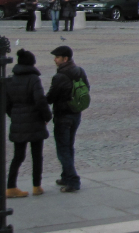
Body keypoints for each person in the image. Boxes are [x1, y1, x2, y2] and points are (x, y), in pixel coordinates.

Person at [5, 49, 51, 198]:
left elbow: (6, 104)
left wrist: (15, 116)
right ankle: (36, 186)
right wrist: (47, 116)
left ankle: (11, 186)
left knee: (18, 156)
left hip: (18, 121)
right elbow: (40, 100)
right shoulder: (33, 79)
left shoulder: (10, 80)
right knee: (37, 155)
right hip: (35, 121)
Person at [45, 45, 88, 192]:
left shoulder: (60, 76)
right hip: (76, 114)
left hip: (63, 116)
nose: (55, 60)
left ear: (65, 59)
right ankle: (65, 175)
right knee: (69, 146)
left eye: (57, 57)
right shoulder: (79, 71)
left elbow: (51, 97)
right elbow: (86, 89)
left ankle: (73, 180)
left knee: (63, 148)